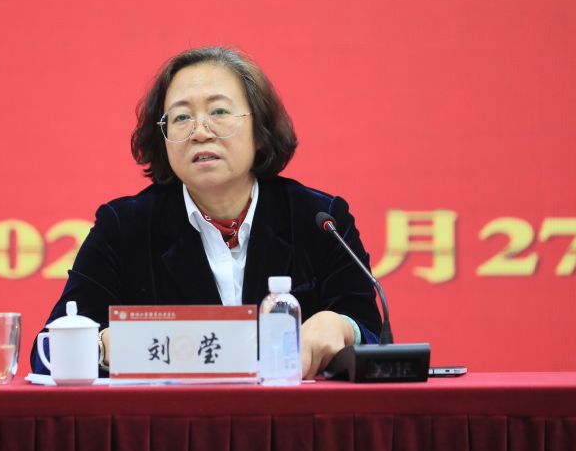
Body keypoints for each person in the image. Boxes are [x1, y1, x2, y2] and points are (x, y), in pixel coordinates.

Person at [31, 46, 382, 379]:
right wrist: (104, 346)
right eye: (181, 117)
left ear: (260, 131)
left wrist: (343, 327)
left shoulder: (320, 220)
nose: (200, 132)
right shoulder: (124, 228)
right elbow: (46, 353)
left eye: (219, 112)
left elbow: (374, 339)